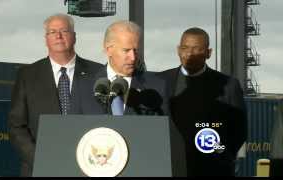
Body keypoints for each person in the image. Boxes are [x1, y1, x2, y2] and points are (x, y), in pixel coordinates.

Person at [79, 20, 187, 176]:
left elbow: (168, 139)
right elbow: (73, 133)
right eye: (126, 50)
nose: (132, 57)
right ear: (108, 49)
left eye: (136, 50)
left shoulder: (157, 87)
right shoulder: (83, 85)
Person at [8, 13, 103, 176]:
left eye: (64, 31)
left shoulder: (98, 73)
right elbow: (16, 126)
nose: (58, 36)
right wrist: (40, 158)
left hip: (89, 167)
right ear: (46, 39)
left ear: (74, 36)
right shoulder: (27, 75)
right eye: (52, 32)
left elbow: (106, 120)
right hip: (40, 168)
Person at [158, 27, 247, 176]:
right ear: (178, 50)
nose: (189, 54)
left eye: (197, 49)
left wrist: (220, 154)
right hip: (169, 168)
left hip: (213, 169)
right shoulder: (161, 81)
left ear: (208, 53)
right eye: (185, 48)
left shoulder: (228, 85)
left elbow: (239, 131)